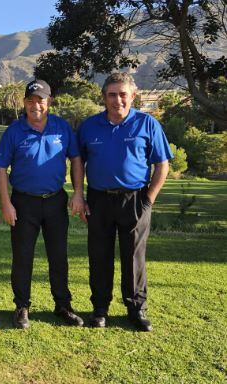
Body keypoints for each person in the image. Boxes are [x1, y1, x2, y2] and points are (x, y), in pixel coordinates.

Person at [77, 72, 173, 332]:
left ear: (133, 95)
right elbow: (78, 162)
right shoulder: (89, 126)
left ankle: (135, 309)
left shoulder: (147, 123)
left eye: (122, 94)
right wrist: (79, 195)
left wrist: (148, 200)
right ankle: (99, 308)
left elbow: (162, 164)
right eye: (112, 94)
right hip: (98, 199)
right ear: (104, 97)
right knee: (99, 256)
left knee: (133, 257)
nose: (117, 99)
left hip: (135, 199)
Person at [0, 79, 85, 329]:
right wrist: (5, 203)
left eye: (41, 100)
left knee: (59, 256)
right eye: (31, 100)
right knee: (22, 257)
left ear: (49, 102)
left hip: (55, 201)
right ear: (24, 102)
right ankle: (22, 306)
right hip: (23, 202)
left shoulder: (62, 128)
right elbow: (0, 168)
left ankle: (63, 305)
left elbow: (76, 159)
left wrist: (78, 193)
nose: (36, 105)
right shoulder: (14, 131)